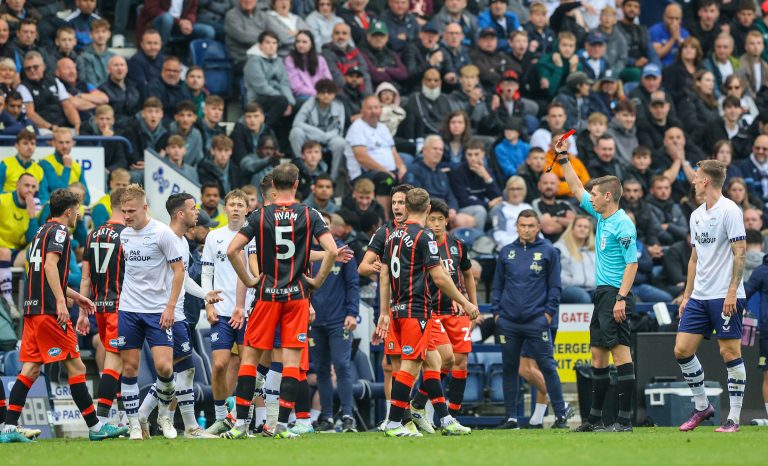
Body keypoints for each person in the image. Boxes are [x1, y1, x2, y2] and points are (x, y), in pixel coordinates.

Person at [221, 163, 338, 439]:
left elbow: (232, 249)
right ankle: (282, 426)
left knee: (249, 359)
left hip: (266, 295)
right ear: (297, 184)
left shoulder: (260, 215)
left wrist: (250, 280)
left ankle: (240, 425)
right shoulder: (310, 214)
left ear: (273, 186)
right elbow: (331, 250)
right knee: (291, 363)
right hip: (296, 297)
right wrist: (316, 282)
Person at [1, 189, 127, 442]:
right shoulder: (60, 232)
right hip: (49, 312)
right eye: (78, 209)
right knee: (76, 366)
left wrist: (75, 296)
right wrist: (61, 301)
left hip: (32, 309)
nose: (79, 214)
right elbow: (49, 265)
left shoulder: (40, 231)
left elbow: (46, 274)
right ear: (69, 211)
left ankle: (8, 428)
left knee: (31, 368)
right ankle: (95, 427)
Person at [374, 187, 477, 437]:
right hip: (416, 310)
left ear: (407, 208)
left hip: (398, 309)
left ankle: (443, 417)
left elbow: (385, 275)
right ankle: (395, 422)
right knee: (410, 367)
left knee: (436, 360)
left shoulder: (393, 235)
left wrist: (385, 310)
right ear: (428, 209)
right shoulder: (424, 236)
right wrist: (465, 302)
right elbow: (440, 277)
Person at [557, 139, 639, 432]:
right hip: (602, 293)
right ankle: (593, 420)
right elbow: (577, 188)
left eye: (595, 194)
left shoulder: (623, 224)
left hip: (616, 294)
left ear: (607, 196)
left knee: (620, 354)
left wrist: (621, 298)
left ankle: (624, 420)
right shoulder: (602, 215)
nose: (589, 198)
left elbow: (633, 264)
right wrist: (564, 158)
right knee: (597, 355)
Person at [673, 159, 748, 433]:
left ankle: (734, 418)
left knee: (729, 352)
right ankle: (703, 405)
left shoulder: (730, 210)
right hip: (699, 296)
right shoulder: (696, 215)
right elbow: (694, 259)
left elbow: (740, 252)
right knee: (682, 350)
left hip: (725, 295)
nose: (693, 180)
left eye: (696, 176)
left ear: (706, 181)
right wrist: (686, 295)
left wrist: (731, 292)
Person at [116, 185, 185, 440]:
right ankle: (134, 423)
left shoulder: (162, 233)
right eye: (123, 211)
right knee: (130, 368)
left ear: (145, 208)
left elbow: (179, 271)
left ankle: (164, 414)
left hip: (158, 310)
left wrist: (170, 307)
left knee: (165, 368)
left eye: (131, 211)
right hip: (129, 309)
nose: (127, 216)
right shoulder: (124, 235)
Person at [491, 209, 571, 429]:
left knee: (547, 366)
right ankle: (511, 418)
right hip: (508, 321)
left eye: (531, 226)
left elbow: (555, 287)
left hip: (537, 320)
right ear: (516, 226)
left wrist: (547, 314)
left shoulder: (549, 252)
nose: (526, 229)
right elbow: (497, 285)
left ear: (538, 227)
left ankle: (561, 416)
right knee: (509, 367)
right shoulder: (506, 252)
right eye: (522, 225)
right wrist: (497, 312)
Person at [408, 199, 477, 430]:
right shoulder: (422, 244)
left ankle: (450, 416)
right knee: (438, 361)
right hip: (431, 311)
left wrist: (470, 305)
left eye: (440, 219)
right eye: (432, 219)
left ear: (447, 221)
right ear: (425, 219)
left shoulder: (458, 245)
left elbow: (468, 274)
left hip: (456, 310)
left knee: (460, 362)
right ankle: (426, 408)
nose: (436, 224)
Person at [357, 183, 414, 430]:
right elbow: (363, 266)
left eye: (402, 202)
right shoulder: (385, 231)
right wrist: (377, 268)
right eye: (395, 203)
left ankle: (416, 410)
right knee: (391, 364)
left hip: (418, 306)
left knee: (422, 361)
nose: (398, 207)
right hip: (391, 307)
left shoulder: (419, 232)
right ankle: (398, 417)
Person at [201, 190, 249, 435]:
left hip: (249, 312)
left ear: (247, 209)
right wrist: (208, 304)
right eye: (232, 204)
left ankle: (246, 419)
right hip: (221, 311)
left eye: (241, 204)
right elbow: (207, 272)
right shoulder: (214, 237)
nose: (237, 208)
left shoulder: (254, 236)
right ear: (225, 208)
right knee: (219, 365)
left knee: (246, 367)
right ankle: (221, 417)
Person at [79, 187, 126, 426]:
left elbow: (85, 278)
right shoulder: (127, 235)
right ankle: (105, 419)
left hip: (99, 307)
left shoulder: (93, 234)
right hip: (120, 306)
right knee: (115, 362)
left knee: (117, 362)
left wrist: (82, 313)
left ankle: (122, 417)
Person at [310, 210, 360, 432]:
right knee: (321, 368)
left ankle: (348, 415)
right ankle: (327, 416)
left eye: (326, 225)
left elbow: (352, 284)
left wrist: (352, 312)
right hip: (313, 320)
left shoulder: (344, 252)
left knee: (341, 365)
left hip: (339, 320)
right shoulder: (306, 252)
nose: (323, 229)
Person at [345, 95, 407, 213]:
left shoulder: (383, 127)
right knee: (385, 180)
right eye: (370, 108)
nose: (374, 111)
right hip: (364, 174)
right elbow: (361, 158)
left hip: (388, 171)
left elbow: (393, 151)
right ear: (362, 111)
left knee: (408, 178)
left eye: (376, 108)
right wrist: (384, 170)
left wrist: (401, 167)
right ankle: (384, 222)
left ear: (381, 110)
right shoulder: (357, 127)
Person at [289, 79, 345, 178]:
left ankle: (333, 179)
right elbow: (297, 123)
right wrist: (319, 134)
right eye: (323, 92)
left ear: (334, 95)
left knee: (340, 143)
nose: (326, 95)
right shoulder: (309, 103)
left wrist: (326, 136)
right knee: (295, 132)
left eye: (330, 92)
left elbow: (339, 129)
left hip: (329, 137)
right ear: (317, 94)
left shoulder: (339, 106)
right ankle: (302, 168)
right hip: (311, 137)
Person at [17, 51, 80, 132]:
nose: (32, 70)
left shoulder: (55, 81)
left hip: (62, 127)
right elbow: (30, 114)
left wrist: (77, 124)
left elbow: (68, 106)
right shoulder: (23, 88)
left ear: (43, 66)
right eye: (28, 69)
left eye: (35, 67)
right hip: (42, 129)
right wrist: (50, 127)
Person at [244, 31, 295, 130]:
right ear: (260, 45)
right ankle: (264, 130)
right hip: (258, 98)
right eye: (268, 43)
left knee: (298, 105)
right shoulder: (253, 62)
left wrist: (290, 102)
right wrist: (284, 100)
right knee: (281, 101)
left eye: (274, 43)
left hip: (278, 98)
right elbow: (261, 87)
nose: (271, 46)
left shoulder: (279, 61)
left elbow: (284, 83)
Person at [39, 127, 90, 205]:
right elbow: (58, 194)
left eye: (67, 142)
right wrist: (67, 168)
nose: (65, 146)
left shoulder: (78, 167)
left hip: (75, 210)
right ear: (54, 143)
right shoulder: (45, 163)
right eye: (61, 142)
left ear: (72, 143)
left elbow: (87, 199)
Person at [137, 0, 215, 51]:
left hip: (180, 25)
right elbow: (152, 10)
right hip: (156, 24)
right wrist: (179, 22)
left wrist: (189, 21)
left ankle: (194, 64)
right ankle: (159, 55)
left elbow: (192, 10)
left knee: (209, 31)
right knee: (167, 18)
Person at [555, 215, 596, 304]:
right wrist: (571, 281)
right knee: (583, 298)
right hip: (567, 288)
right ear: (572, 228)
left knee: (607, 296)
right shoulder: (560, 247)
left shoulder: (593, 250)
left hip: (591, 287)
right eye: (579, 226)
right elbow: (554, 272)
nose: (582, 229)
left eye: (586, 227)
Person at [284, 30, 333, 100]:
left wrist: (325, 93)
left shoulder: (320, 59)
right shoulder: (290, 60)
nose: (300, 45)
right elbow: (296, 87)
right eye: (298, 41)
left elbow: (328, 80)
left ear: (311, 44)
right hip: (303, 96)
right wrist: (317, 94)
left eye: (304, 42)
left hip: (322, 94)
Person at [0, 129, 46, 200]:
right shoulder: (5, 165)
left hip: (31, 207)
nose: (29, 147)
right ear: (16, 146)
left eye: (32, 144)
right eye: (25, 143)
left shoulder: (39, 169)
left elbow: (43, 196)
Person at [492, 175, 532, 248]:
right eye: (512, 189)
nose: (515, 193)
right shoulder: (499, 209)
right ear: (507, 191)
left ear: (524, 191)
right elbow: (499, 238)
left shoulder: (528, 207)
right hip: (511, 250)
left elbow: (538, 233)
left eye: (519, 189)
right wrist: (523, 242)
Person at [225, 0, 266, 70]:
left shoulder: (262, 15)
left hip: (262, 55)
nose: (248, 1)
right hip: (242, 58)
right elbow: (244, 37)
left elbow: (274, 34)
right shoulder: (232, 15)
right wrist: (265, 38)